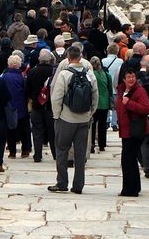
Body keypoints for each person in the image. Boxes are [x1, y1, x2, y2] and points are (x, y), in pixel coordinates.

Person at [48, 45, 98, 193]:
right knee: (80, 154)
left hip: (66, 119)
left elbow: (56, 97)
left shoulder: (64, 74)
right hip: (83, 119)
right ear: (81, 56)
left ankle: (62, 182)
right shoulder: (90, 74)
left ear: (68, 57)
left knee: (62, 150)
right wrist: (90, 113)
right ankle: (78, 185)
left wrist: (57, 115)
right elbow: (95, 97)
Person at [116, 68, 149, 197]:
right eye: (128, 77)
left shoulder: (139, 91)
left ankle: (130, 189)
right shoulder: (121, 90)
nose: (131, 79)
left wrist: (129, 103)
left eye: (133, 77)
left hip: (135, 130)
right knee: (129, 159)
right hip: (126, 130)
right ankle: (133, 187)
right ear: (124, 79)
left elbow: (146, 108)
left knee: (128, 159)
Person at [26, 49, 56, 163]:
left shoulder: (32, 72)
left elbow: (27, 89)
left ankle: (37, 155)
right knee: (52, 131)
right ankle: (55, 154)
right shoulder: (54, 72)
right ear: (50, 60)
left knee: (37, 130)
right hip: (51, 106)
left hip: (36, 105)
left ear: (39, 59)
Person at [2, 54, 31, 159]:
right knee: (24, 129)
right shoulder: (22, 77)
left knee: (10, 129)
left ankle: (12, 151)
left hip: (8, 106)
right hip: (21, 106)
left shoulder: (4, 77)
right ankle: (25, 150)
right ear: (19, 65)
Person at [90, 56, 111, 153]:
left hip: (94, 102)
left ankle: (92, 144)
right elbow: (110, 90)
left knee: (92, 125)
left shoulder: (90, 75)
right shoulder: (107, 75)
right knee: (102, 125)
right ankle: (102, 145)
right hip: (104, 102)